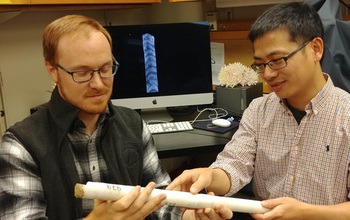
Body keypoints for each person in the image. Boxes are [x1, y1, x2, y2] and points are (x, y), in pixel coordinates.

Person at [0, 15, 232, 220]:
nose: (98, 84)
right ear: (52, 69)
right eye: (82, 72)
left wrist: (190, 216)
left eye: (105, 68)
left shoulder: (132, 125)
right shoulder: (20, 145)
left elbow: (158, 201)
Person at [168, 2, 350, 220]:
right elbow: (235, 164)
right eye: (261, 65)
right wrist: (208, 175)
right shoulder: (259, 110)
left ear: (316, 49)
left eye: (277, 61)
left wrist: (306, 213)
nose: (268, 74)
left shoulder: (345, 114)